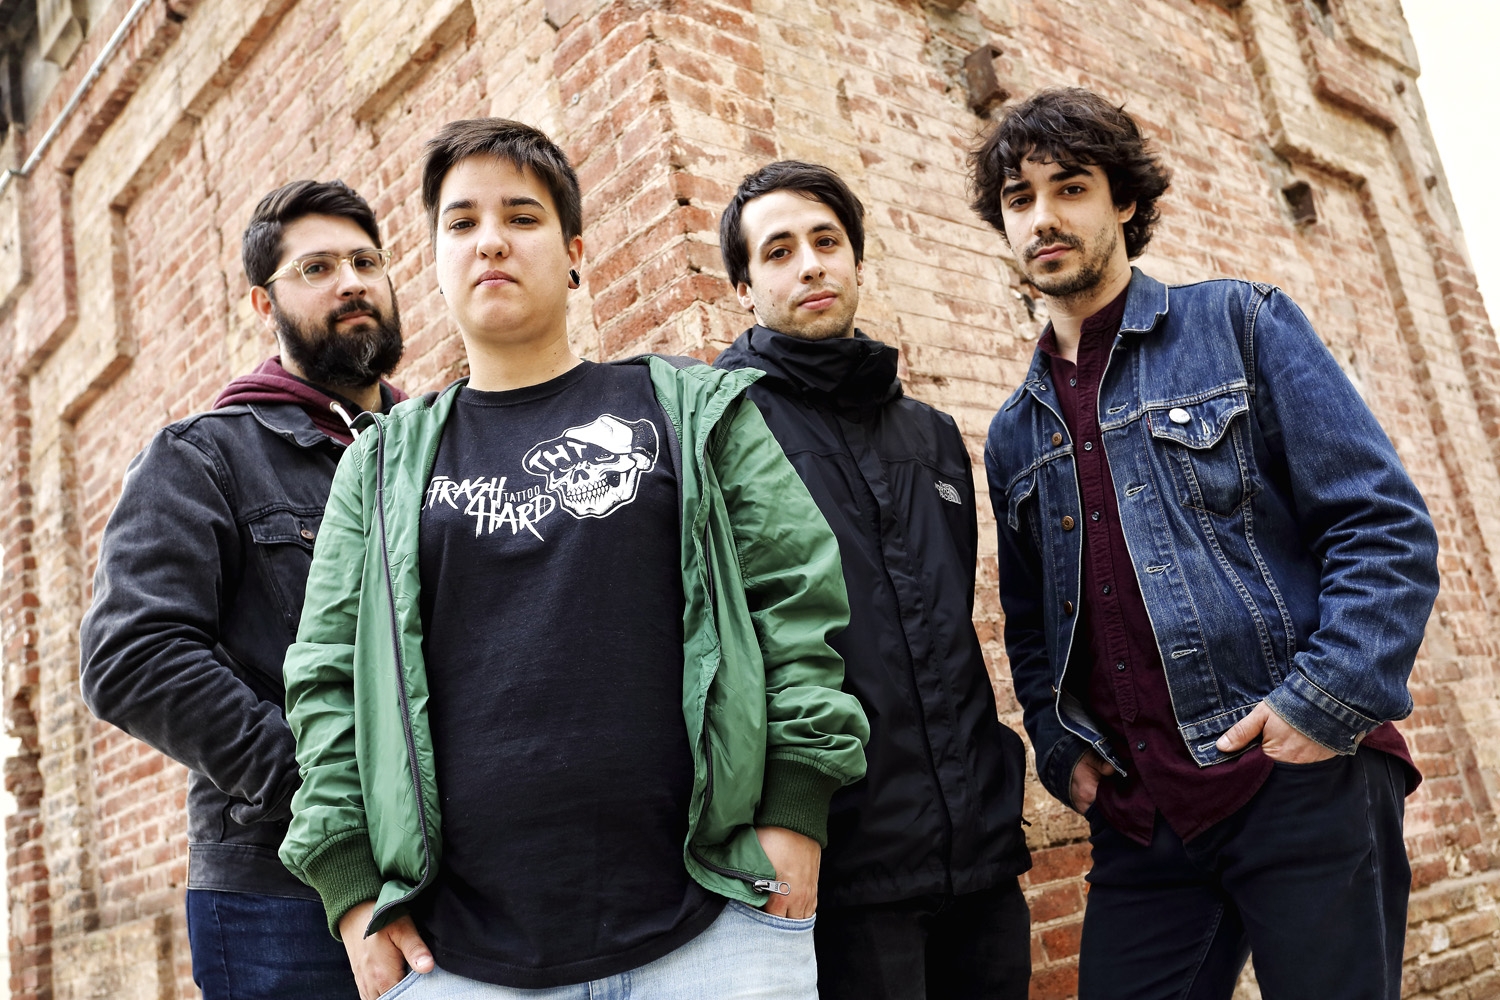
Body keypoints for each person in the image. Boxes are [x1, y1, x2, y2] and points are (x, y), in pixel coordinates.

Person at [277, 118, 870, 1000]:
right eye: (462, 222)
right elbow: (326, 678)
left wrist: (794, 810)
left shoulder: (690, 409)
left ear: (574, 253)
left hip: (716, 926)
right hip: (459, 959)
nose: (491, 241)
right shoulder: (380, 464)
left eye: (522, 217)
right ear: (435, 262)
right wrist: (351, 886)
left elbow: (798, 601)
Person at [973, 87, 1438, 999]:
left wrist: (1320, 704)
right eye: (1019, 199)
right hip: (1143, 818)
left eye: (1070, 188)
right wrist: (1062, 750)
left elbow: (1381, 524)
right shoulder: (1013, 434)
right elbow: (1032, 628)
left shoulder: (1240, 323)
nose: (1043, 218)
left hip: (1299, 777)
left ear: (1125, 201)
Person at [79, 179, 408, 999]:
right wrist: (324, 791)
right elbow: (131, 658)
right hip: (277, 896)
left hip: (450, 868)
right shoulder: (202, 457)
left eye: (365, 262)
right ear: (265, 303)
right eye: (316, 268)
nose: (351, 282)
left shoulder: (437, 449)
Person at [712, 161, 1031, 999]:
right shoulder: (723, 430)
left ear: (856, 259)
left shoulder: (931, 436)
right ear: (744, 287)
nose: (810, 265)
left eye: (827, 242)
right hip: (839, 872)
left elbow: (952, 628)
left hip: (981, 857)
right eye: (779, 251)